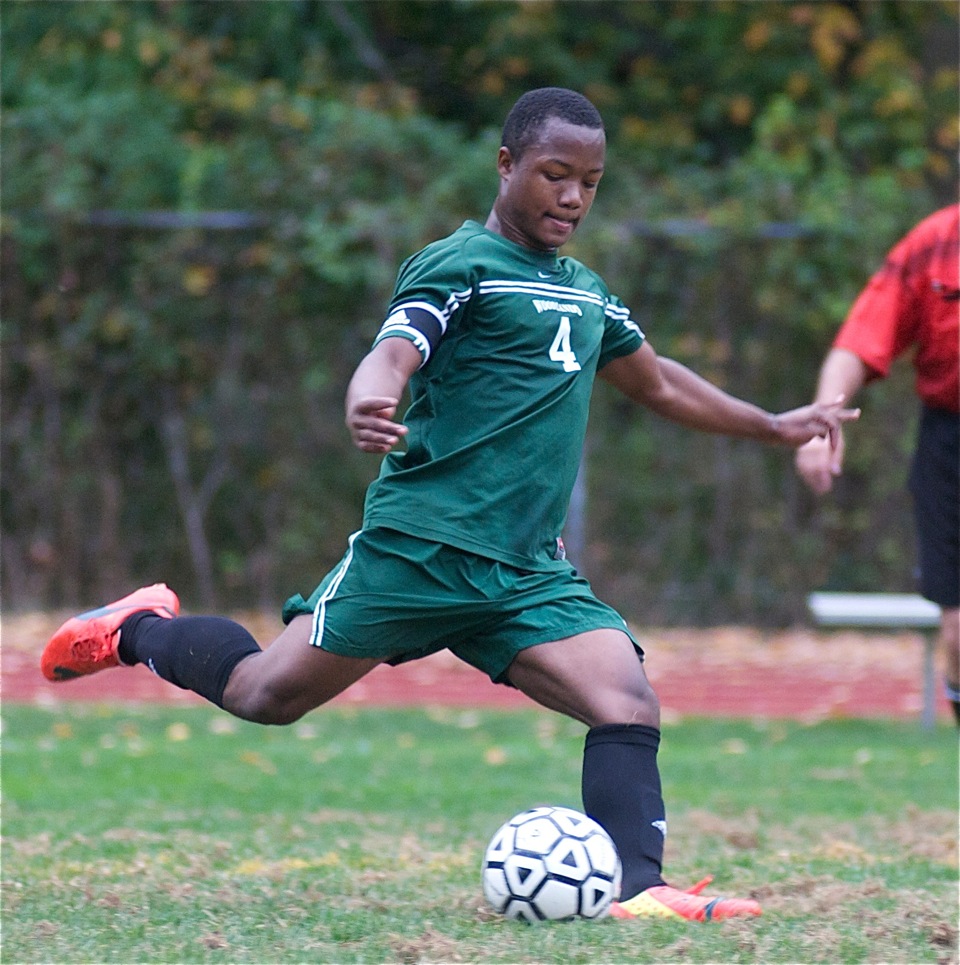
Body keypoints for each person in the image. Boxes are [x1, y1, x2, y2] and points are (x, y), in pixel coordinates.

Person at [42, 87, 859, 921]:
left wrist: (775, 426)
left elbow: (656, 380)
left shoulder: (586, 290)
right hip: (420, 550)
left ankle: (639, 888)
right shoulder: (459, 265)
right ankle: (139, 626)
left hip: (526, 572)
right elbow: (394, 350)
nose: (572, 197)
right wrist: (370, 396)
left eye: (590, 181)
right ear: (506, 165)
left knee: (625, 700)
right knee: (264, 694)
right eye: (553, 175)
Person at [795, 204, 959, 725]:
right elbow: (860, 343)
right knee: (958, 633)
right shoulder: (935, 243)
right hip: (950, 446)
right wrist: (822, 424)